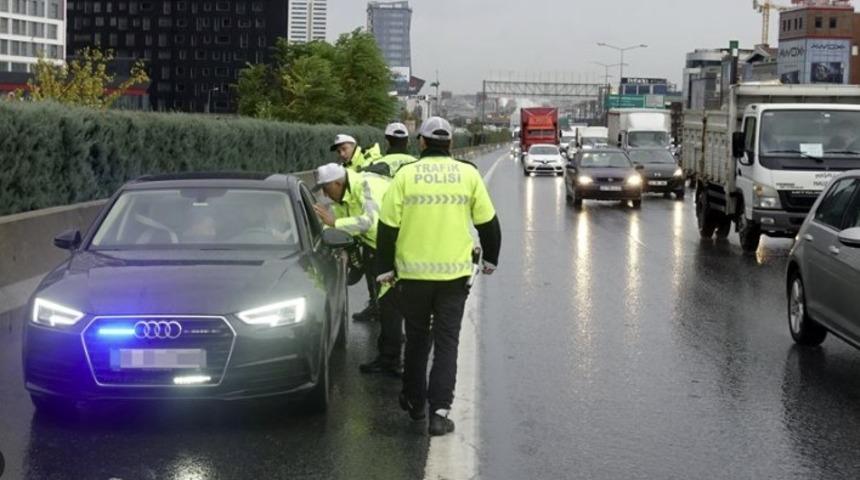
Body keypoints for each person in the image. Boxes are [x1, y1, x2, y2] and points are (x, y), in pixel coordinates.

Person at [376, 116, 502, 436]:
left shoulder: (406, 175)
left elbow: (387, 227)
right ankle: (439, 413)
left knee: (417, 340)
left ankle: (415, 402)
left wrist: (385, 269)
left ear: (421, 142)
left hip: (413, 277)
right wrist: (491, 260)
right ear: (451, 144)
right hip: (454, 278)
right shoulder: (467, 174)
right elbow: (488, 224)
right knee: (447, 343)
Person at [311, 163, 403, 376]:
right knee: (386, 305)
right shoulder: (342, 196)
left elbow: (371, 222)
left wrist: (335, 222)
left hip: (397, 247)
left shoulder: (365, 185)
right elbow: (337, 227)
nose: (325, 194)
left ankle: (394, 361)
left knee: (392, 306)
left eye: (326, 188)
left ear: (337, 182)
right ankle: (388, 357)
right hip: (376, 247)